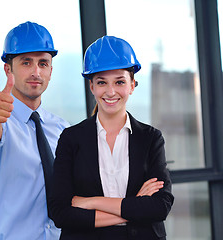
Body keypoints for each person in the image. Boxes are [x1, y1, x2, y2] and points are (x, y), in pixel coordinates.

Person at [48, 36, 174, 240]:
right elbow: (60, 213)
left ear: (132, 85)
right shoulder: (71, 139)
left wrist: (91, 202)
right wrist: (133, 205)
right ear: (92, 87)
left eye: (120, 82)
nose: (110, 91)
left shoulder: (150, 139)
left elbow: (160, 206)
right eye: (101, 82)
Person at [0, 21, 70, 240]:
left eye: (43, 63)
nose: (36, 72)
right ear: (8, 69)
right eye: (26, 62)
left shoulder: (62, 129)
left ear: (51, 71)